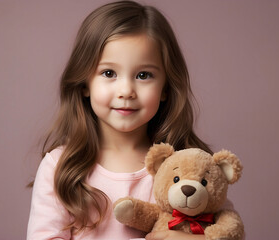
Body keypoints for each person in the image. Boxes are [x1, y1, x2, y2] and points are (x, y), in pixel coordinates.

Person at [27, 1, 239, 239]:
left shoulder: (187, 166)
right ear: (85, 83)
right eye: (109, 73)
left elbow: (226, 231)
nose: (126, 90)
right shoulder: (60, 167)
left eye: (143, 75)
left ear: (166, 87)